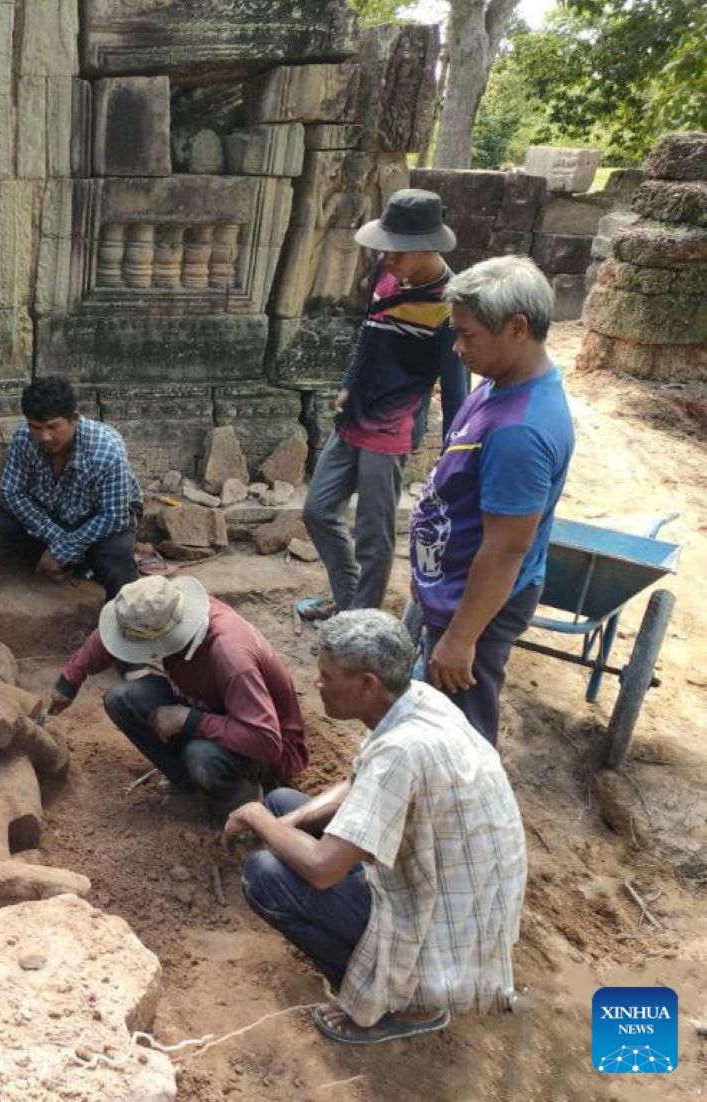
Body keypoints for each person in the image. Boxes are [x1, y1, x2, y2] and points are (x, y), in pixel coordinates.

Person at [226, 610, 526, 1045]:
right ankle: (387, 977)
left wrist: (255, 817)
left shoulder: (402, 750)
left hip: (443, 929)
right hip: (451, 892)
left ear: (368, 684)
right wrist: (281, 821)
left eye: (328, 676)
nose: (318, 684)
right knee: (283, 804)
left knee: (266, 875)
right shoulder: (417, 700)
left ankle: (403, 1005)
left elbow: (323, 868)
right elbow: (357, 781)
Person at [409, 255, 574, 743]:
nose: (457, 348)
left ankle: (459, 816)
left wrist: (461, 639)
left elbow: (506, 549)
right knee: (432, 714)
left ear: (517, 328)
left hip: (474, 606)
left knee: (458, 734)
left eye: (469, 335)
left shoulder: (520, 432)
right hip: (453, 590)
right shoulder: (502, 384)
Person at [300, 189, 471, 621]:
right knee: (318, 511)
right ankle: (349, 597)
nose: (387, 257)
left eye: (396, 250)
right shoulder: (386, 274)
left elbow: (456, 389)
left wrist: (454, 457)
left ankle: (362, 626)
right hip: (353, 416)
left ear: (426, 246)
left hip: (391, 431)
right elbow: (367, 333)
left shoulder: (450, 306)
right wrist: (348, 382)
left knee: (373, 536)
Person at [48, 575, 307, 816]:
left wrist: (190, 720)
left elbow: (266, 741)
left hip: (267, 749)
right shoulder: (169, 608)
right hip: (209, 708)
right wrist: (69, 680)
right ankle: (193, 787)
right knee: (122, 698)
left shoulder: (230, 656)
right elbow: (117, 630)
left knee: (203, 756)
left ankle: (240, 804)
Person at [0, 377, 142, 600]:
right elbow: (11, 493)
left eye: (53, 427)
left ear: (74, 419)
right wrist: (58, 540)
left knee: (117, 557)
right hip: (52, 517)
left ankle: (122, 618)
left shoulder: (106, 449)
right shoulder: (24, 438)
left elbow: (114, 516)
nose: (44, 437)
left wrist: (61, 550)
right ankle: (74, 564)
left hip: (97, 521)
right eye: (36, 427)